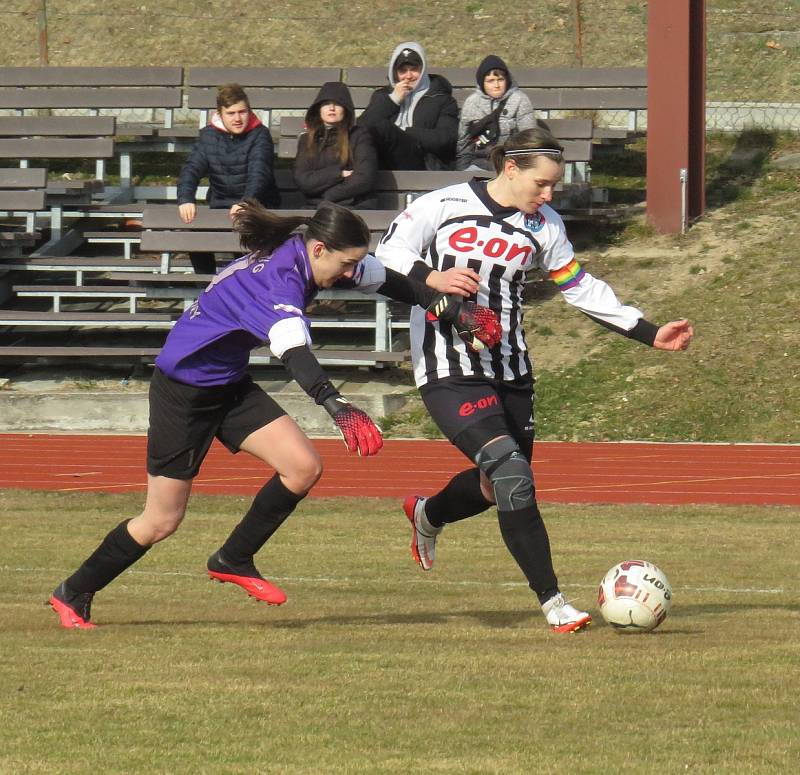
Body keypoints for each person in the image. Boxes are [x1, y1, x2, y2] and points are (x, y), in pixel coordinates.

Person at [48, 201, 501, 629]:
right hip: (183, 393)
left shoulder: (310, 255)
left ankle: (233, 558)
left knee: (303, 468)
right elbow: (295, 354)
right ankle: (74, 591)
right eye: (343, 264)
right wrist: (336, 405)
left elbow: (387, 280)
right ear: (319, 249)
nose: (348, 272)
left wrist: (454, 311)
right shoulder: (279, 284)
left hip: (225, 383)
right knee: (161, 521)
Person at [375, 127, 694, 633]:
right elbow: (387, 255)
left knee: (495, 485)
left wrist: (648, 332)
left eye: (553, 187)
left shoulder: (543, 225)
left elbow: (578, 286)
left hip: (512, 370)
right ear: (511, 168)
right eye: (542, 184)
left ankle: (428, 514)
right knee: (512, 475)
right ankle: (554, 602)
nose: (548, 196)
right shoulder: (444, 203)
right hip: (449, 367)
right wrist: (432, 279)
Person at [177, 83, 280, 274]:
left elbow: (260, 174)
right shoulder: (208, 136)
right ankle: (206, 285)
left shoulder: (260, 135)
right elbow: (191, 169)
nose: (238, 118)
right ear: (220, 114)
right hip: (220, 206)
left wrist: (246, 203)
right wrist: (185, 199)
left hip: (257, 207)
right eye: (231, 113)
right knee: (195, 234)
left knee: (243, 238)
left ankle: (244, 288)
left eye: (242, 112)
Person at [358, 42, 458, 171]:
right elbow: (362, 127)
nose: (409, 76)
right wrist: (393, 100)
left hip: (422, 162)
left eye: (414, 69)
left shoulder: (441, 99)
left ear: (423, 70)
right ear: (395, 73)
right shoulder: (383, 96)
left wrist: (404, 132)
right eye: (403, 71)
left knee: (384, 128)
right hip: (382, 161)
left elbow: (446, 139)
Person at [294, 81, 378, 208]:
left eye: (338, 104)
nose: (331, 108)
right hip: (316, 207)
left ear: (345, 109)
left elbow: (364, 178)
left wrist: (328, 197)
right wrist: (339, 174)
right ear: (319, 109)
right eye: (326, 103)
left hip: (354, 206)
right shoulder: (306, 139)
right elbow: (303, 180)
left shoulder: (359, 135)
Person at [456, 55, 536, 172]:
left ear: (507, 80)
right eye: (490, 81)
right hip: (479, 162)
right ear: (482, 83)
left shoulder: (519, 100)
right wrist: (462, 171)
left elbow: (529, 139)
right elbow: (464, 143)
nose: (496, 85)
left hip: (511, 162)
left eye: (500, 79)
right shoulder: (471, 103)